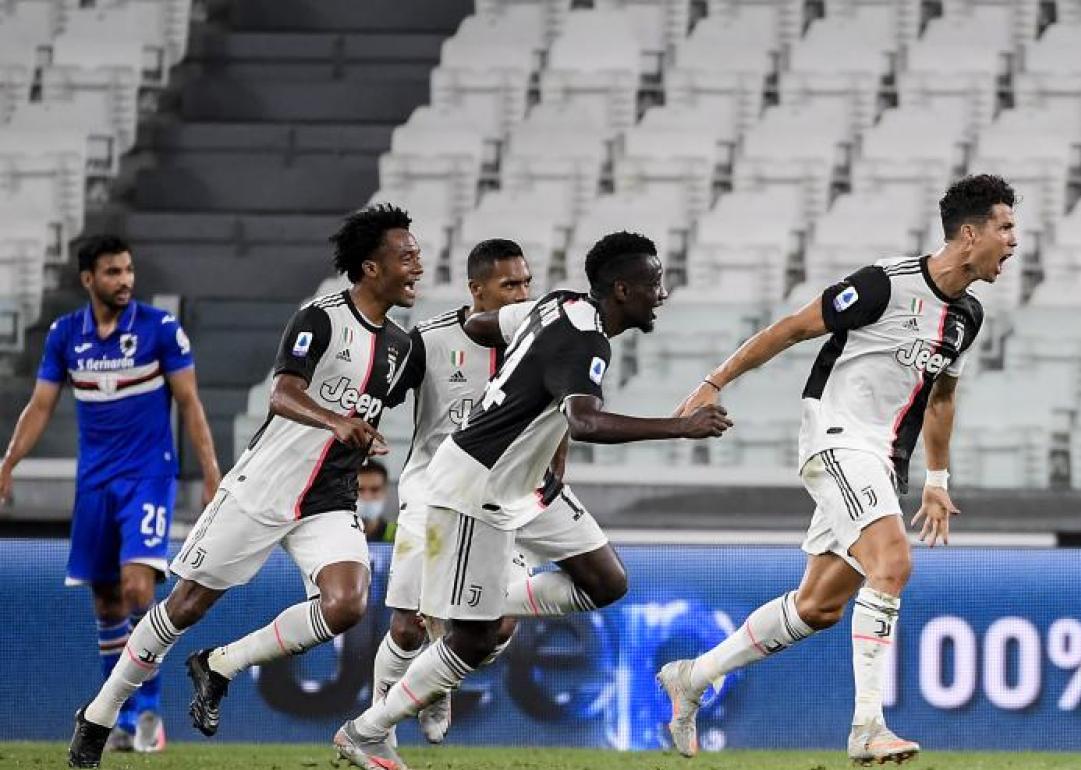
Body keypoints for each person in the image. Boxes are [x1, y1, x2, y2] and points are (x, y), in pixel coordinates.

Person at [333, 231, 733, 770]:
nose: (661, 294)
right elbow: (585, 422)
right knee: (477, 640)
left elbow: (481, 325)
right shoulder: (584, 340)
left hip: (529, 486)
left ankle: (465, 601)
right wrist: (680, 427)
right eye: (653, 284)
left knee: (605, 582)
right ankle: (368, 731)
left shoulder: (556, 304)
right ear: (621, 290)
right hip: (478, 484)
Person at [658, 174, 1015, 765]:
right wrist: (713, 382)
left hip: (883, 461)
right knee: (893, 564)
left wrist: (937, 480)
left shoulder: (967, 317)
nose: (1014, 241)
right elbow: (791, 328)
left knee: (817, 606)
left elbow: (942, 397)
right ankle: (868, 727)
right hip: (837, 436)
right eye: (1005, 227)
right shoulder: (884, 284)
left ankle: (691, 678)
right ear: (970, 234)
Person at [67, 203, 423, 768]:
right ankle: (99, 714)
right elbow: (283, 394)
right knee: (184, 606)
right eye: (406, 257)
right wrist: (335, 421)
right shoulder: (320, 319)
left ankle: (220, 665)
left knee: (348, 603)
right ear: (371, 267)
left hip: (329, 499)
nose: (417, 266)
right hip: (263, 487)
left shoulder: (402, 348)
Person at [372, 238, 629, 747]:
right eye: (510, 285)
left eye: (527, 283)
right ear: (477, 289)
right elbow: (379, 393)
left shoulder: (545, 331)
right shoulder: (432, 339)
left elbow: (563, 408)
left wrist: (558, 460)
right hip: (434, 488)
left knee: (499, 626)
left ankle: (432, 681)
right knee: (407, 626)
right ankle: (380, 725)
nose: (522, 293)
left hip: (510, 493)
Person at [0, 235, 220, 753]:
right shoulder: (65, 335)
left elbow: (190, 403)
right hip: (95, 481)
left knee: (138, 586)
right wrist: (7, 463)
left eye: (128, 271)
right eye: (113, 272)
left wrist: (212, 474)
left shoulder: (159, 328)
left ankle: (149, 714)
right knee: (105, 600)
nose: (125, 281)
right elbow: (40, 405)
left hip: (148, 475)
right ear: (88, 279)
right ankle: (117, 716)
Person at [356, 460, 392, 542]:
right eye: (360, 489)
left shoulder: (398, 535)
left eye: (375, 489)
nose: (367, 497)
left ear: (385, 492)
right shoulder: (336, 535)